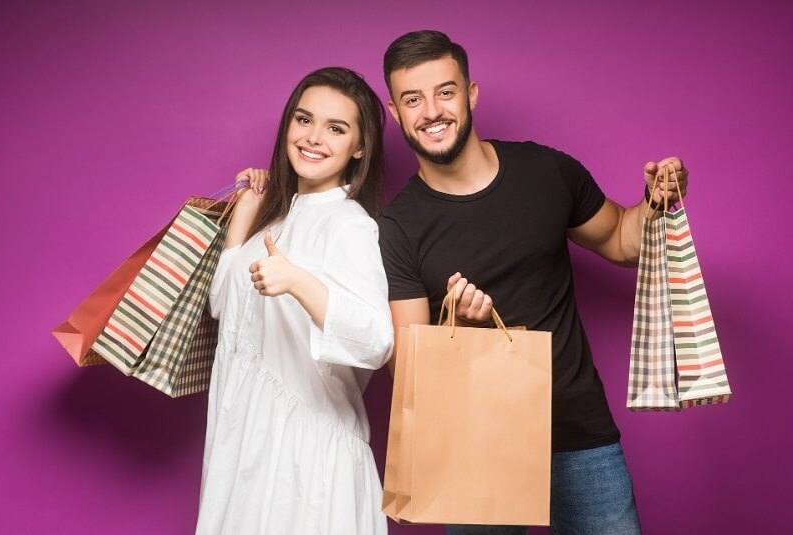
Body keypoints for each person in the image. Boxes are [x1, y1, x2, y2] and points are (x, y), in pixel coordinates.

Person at [377, 30, 688, 534]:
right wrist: (461, 325)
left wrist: (655, 201)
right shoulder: (397, 226)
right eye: (413, 99)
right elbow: (407, 370)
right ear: (395, 112)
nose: (431, 111)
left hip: (578, 432)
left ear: (471, 93)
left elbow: (621, 241)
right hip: (476, 446)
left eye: (445, 91)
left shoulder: (547, 170)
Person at [195, 67, 394, 535]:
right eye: (304, 120)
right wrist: (243, 219)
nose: (314, 138)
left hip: (304, 459)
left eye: (336, 128)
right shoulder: (276, 222)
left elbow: (377, 340)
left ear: (358, 148)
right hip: (244, 439)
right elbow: (223, 307)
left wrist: (299, 282)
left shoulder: (350, 224)